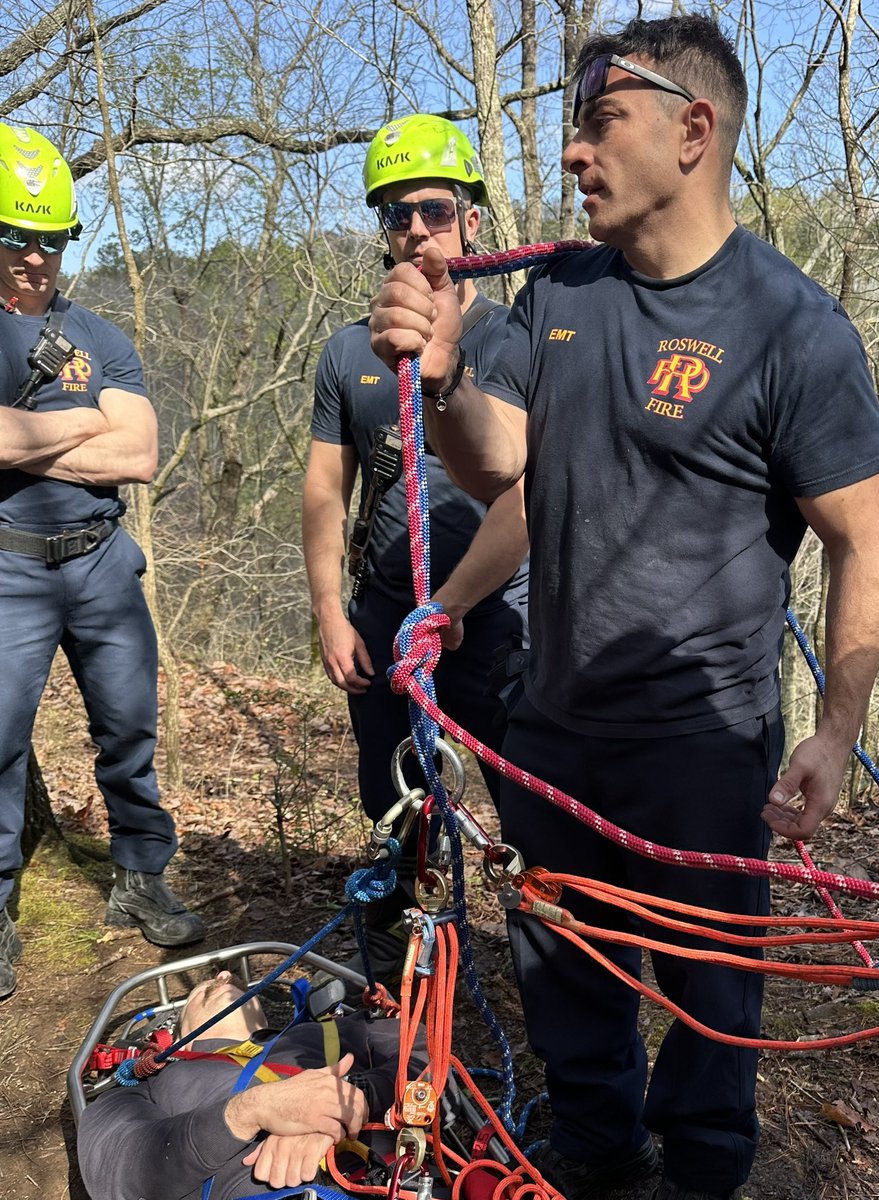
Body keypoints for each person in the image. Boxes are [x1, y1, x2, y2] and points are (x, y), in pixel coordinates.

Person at [368, 16, 879, 1200]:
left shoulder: (792, 329)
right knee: (565, 976)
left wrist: (836, 726)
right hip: (555, 729)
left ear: (693, 130)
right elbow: (505, 466)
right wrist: (448, 380)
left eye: (600, 122)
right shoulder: (561, 291)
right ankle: (599, 1159)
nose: (572, 154)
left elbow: (867, 542)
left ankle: (705, 1171)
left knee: (714, 994)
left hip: (705, 747)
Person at [302, 116, 528, 963]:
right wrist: (332, 612)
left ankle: (548, 958)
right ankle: (406, 943)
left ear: (471, 218)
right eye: (398, 215)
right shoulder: (347, 354)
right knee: (394, 794)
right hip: (388, 611)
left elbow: (526, 490)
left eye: (435, 209)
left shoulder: (517, 336)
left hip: (500, 615)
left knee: (523, 793)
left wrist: (454, 602)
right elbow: (327, 488)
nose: (418, 230)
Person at [0, 123, 203, 1001]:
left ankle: (141, 874)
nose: (39, 258)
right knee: (0, 743)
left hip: (101, 562)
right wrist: (88, 421)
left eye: (55, 240)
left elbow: (141, 454)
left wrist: (30, 442)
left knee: (128, 726)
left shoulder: (101, 335)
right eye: (22, 239)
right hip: (8, 568)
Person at [76, 970, 405, 1200]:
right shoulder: (150, 1083)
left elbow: (430, 1053)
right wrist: (247, 1112)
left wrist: (352, 1095)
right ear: (172, 1035)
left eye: (228, 978)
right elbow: (117, 1173)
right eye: (208, 983)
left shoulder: (327, 1033)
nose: (222, 976)